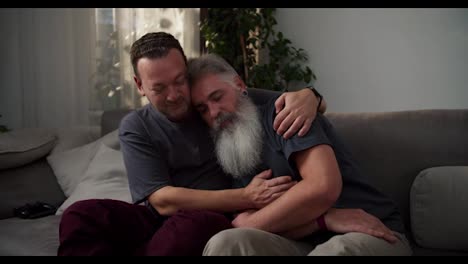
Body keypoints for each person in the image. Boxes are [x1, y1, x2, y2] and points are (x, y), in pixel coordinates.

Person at [57, 32, 324, 256]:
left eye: (179, 81)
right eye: (159, 88)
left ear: (187, 72)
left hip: (214, 216)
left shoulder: (212, 100)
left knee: (189, 226)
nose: (174, 96)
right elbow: (161, 200)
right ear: (139, 85)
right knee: (81, 215)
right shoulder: (136, 127)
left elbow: (291, 101)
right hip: (158, 219)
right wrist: (246, 196)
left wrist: (310, 95)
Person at [187, 54, 413, 256]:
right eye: (202, 109)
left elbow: (323, 187)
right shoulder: (225, 148)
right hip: (301, 241)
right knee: (226, 243)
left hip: (370, 231)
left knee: (334, 252)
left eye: (217, 97)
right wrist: (322, 220)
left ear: (239, 85)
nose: (214, 112)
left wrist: (253, 222)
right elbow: (242, 225)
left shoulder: (287, 113)